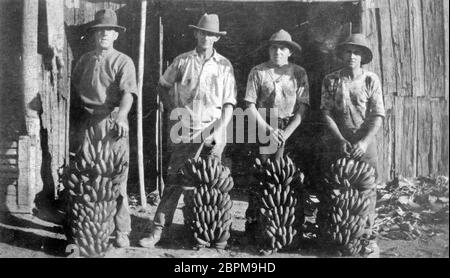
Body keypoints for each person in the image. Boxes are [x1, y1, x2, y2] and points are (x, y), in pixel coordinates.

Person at [139, 13, 237, 248]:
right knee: (174, 181)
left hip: (213, 130)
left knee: (209, 187)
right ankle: (157, 231)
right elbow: (162, 85)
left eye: (211, 34)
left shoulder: (224, 66)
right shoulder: (182, 60)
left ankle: (203, 234)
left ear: (217, 38)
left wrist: (218, 131)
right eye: (202, 32)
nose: (206, 37)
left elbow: (229, 104)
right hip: (185, 129)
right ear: (196, 33)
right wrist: (174, 110)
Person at [71, 9, 136, 248]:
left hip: (112, 122)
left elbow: (129, 93)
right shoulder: (85, 60)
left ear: (116, 35)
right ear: (94, 34)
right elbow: (76, 88)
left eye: (109, 31)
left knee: (115, 179)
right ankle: (90, 228)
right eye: (100, 31)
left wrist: (122, 116)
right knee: (88, 176)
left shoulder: (123, 61)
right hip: (88, 123)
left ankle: (122, 230)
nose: (104, 35)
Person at [320, 33, 385, 256]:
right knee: (337, 190)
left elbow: (378, 115)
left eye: (357, 52)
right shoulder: (331, 80)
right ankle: (338, 237)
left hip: (365, 142)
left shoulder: (370, 79)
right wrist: (339, 139)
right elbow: (326, 112)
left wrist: (365, 142)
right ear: (342, 54)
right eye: (348, 51)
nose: (352, 56)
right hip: (339, 141)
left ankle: (366, 240)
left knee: (366, 191)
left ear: (363, 57)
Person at [244, 29, 310, 241]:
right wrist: (269, 130)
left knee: (290, 179)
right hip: (264, 125)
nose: (277, 52)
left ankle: (290, 230)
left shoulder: (298, 73)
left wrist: (286, 133)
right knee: (262, 176)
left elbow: (302, 108)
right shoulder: (258, 71)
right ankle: (257, 228)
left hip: (291, 127)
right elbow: (249, 105)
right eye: (274, 47)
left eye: (282, 48)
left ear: (289, 51)